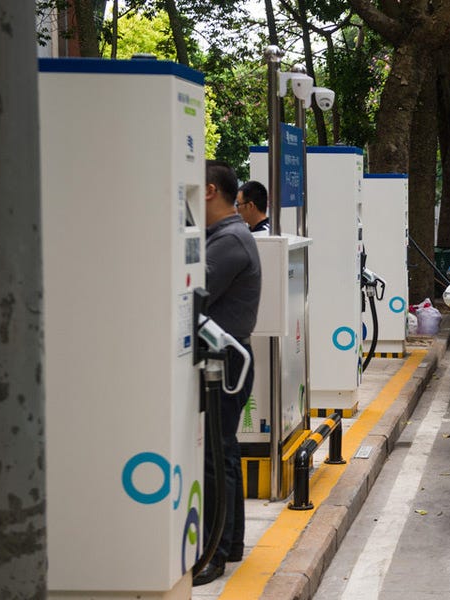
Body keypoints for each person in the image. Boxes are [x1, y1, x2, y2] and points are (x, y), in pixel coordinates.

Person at [194, 160, 262, 586]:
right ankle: (231, 544)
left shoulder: (229, 241)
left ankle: (214, 553)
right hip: (227, 357)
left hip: (225, 361)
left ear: (208, 190)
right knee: (224, 451)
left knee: (215, 457)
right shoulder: (225, 236)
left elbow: (191, 295)